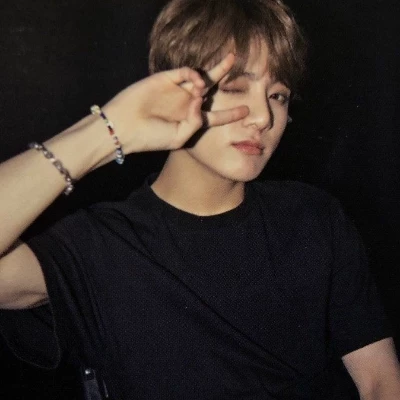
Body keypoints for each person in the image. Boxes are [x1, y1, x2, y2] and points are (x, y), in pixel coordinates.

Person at [0, 0, 399, 398]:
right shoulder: (101, 243)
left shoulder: (313, 219)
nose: (263, 117)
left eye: (278, 95)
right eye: (235, 87)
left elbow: (381, 381)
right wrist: (109, 130)